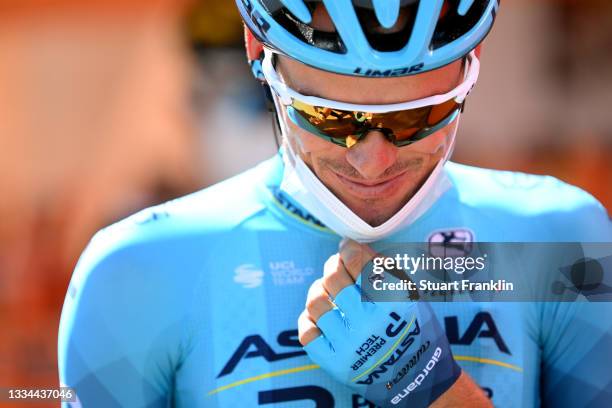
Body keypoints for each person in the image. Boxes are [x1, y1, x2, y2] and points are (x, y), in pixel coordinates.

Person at [58, 1, 612, 407]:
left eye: (417, 117)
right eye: (329, 117)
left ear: (473, 63)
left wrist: (430, 388)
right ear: (258, 53)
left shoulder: (560, 242)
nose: (373, 162)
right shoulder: (133, 271)